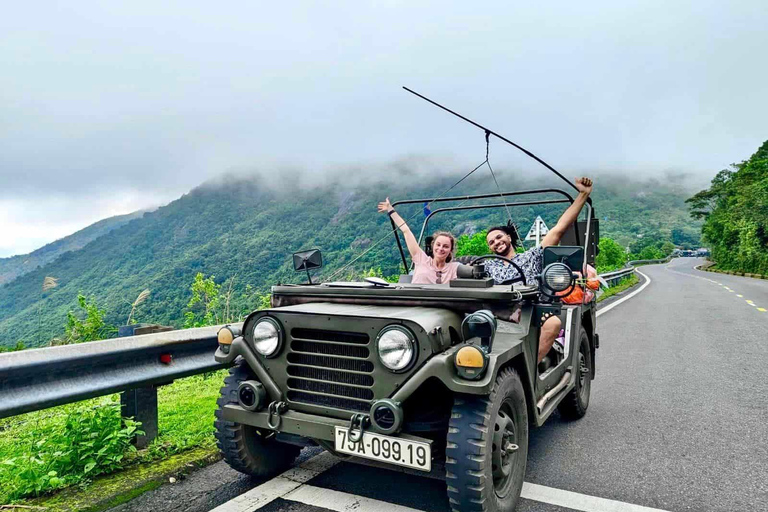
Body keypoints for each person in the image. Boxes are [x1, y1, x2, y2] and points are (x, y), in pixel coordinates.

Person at [485, 177, 593, 364]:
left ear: (509, 237)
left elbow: (559, 229)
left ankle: (530, 368)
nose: (496, 242)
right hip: (500, 311)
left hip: (532, 310)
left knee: (553, 323)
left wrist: (583, 194)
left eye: (499, 237)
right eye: (491, 242)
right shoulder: (488, 265)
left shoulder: (530, 256)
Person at [378, 197, 460, 284]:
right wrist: (390, 210)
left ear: (450, 250)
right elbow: (406, 231)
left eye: (446, 246)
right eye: (438, 244)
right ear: (433, 246)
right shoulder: (421, 259)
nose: (441, 248)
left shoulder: (455, 268)